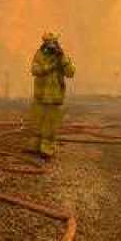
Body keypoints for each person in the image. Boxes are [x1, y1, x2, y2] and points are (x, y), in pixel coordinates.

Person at [30, 30, 75, 159]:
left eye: (53, 43)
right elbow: (34, 69)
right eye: (48, 42)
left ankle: (46, 150)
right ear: (44, 43)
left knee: (50, 126)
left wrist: (63, 58)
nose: (51, 46)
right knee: (37, 123)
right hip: (40, 96)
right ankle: (35, 147)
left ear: (57, 43)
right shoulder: (39, 54)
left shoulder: (61, 57)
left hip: (54, 98)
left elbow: (71, 73)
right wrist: (49, 67)